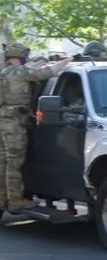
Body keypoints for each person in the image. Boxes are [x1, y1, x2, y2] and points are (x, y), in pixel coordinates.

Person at [0, 43, 69, 210]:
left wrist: (41, 62)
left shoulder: (4, 71)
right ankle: (16, 199)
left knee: (2, 162)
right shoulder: (21, 72)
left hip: (3, 120)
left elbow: (32, 69)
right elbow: (47, 72)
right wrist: (68, 60)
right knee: (14, 162)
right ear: (22, 56)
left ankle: (2, 198)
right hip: (14, 122)